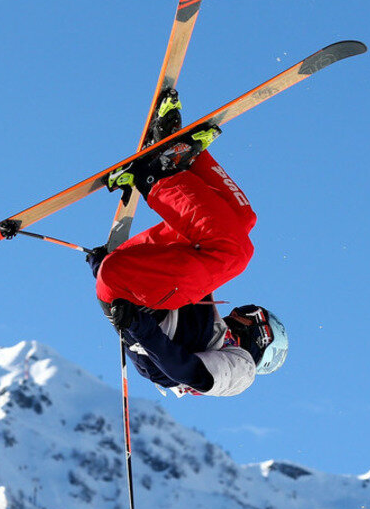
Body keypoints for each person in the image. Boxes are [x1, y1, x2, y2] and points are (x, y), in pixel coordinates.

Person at [85, 89, 288, 398]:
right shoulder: (208, 322)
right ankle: (184, 156)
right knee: (243, 221)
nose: (241, 314)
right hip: (129, 279)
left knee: (237, 253)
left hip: (132, 297)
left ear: (263, 339)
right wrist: (101, 265)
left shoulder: (242, 370)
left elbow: (188, 373)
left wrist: (137, 325)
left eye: (250, 317)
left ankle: (156, 176)